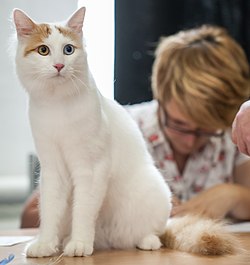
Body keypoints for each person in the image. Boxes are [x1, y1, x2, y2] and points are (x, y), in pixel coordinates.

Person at [20, 25, 250, 228]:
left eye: (204, 130)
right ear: (160, 95)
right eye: (179, 125)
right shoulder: (123, 125)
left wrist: (232, 196)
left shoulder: (229, 134)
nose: (190, 141)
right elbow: (29, 217)